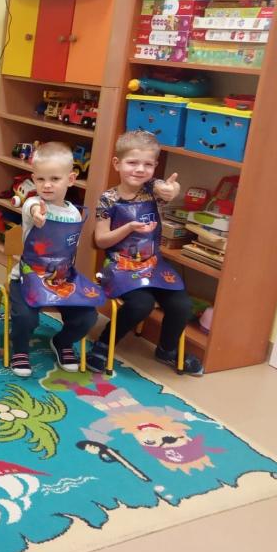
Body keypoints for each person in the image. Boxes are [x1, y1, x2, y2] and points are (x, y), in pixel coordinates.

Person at [86, 131, 203, 376]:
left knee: (182, 305)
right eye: (132, 162)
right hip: (119, 265)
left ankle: (167, 350)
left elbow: (168, 188)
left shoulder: (153, 190)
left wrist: (173, 188)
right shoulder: (108, 199)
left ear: (155, 166)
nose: (140, 169)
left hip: (153, 264)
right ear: (117, 163)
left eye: (148, 164)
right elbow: (101, 240)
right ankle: (104, 344)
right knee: (142, 304)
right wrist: (128, 227)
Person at [7, 142, 102, 378]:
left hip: (60, 279)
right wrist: (37, 216)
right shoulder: (33, 204)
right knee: (25, 317)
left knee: (88, 316)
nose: (47, 185)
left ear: (71, 179)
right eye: (40, 179)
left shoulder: (74, 213)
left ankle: (62, 342)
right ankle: (20, 349)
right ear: (33, 180)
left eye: (55, 179)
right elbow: (32, 210)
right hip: (27, 277)